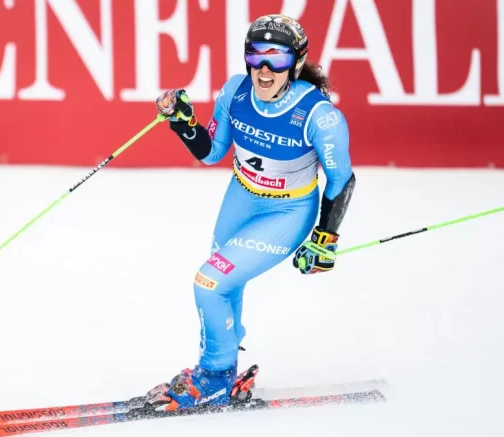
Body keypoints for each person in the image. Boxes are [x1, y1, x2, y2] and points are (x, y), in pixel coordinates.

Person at [145, 14, 356, 412]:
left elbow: (341, 179)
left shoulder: (319, 116)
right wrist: (183, 121)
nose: (264, 69)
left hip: (288, 212)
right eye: (256, 55)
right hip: (240, 198)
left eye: (277, 58)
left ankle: (214, 376)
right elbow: (212, 152)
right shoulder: (235, 91)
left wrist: (324, 239)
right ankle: (221, 369)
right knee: (225, 283)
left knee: (209, 283)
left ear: (296, 63)